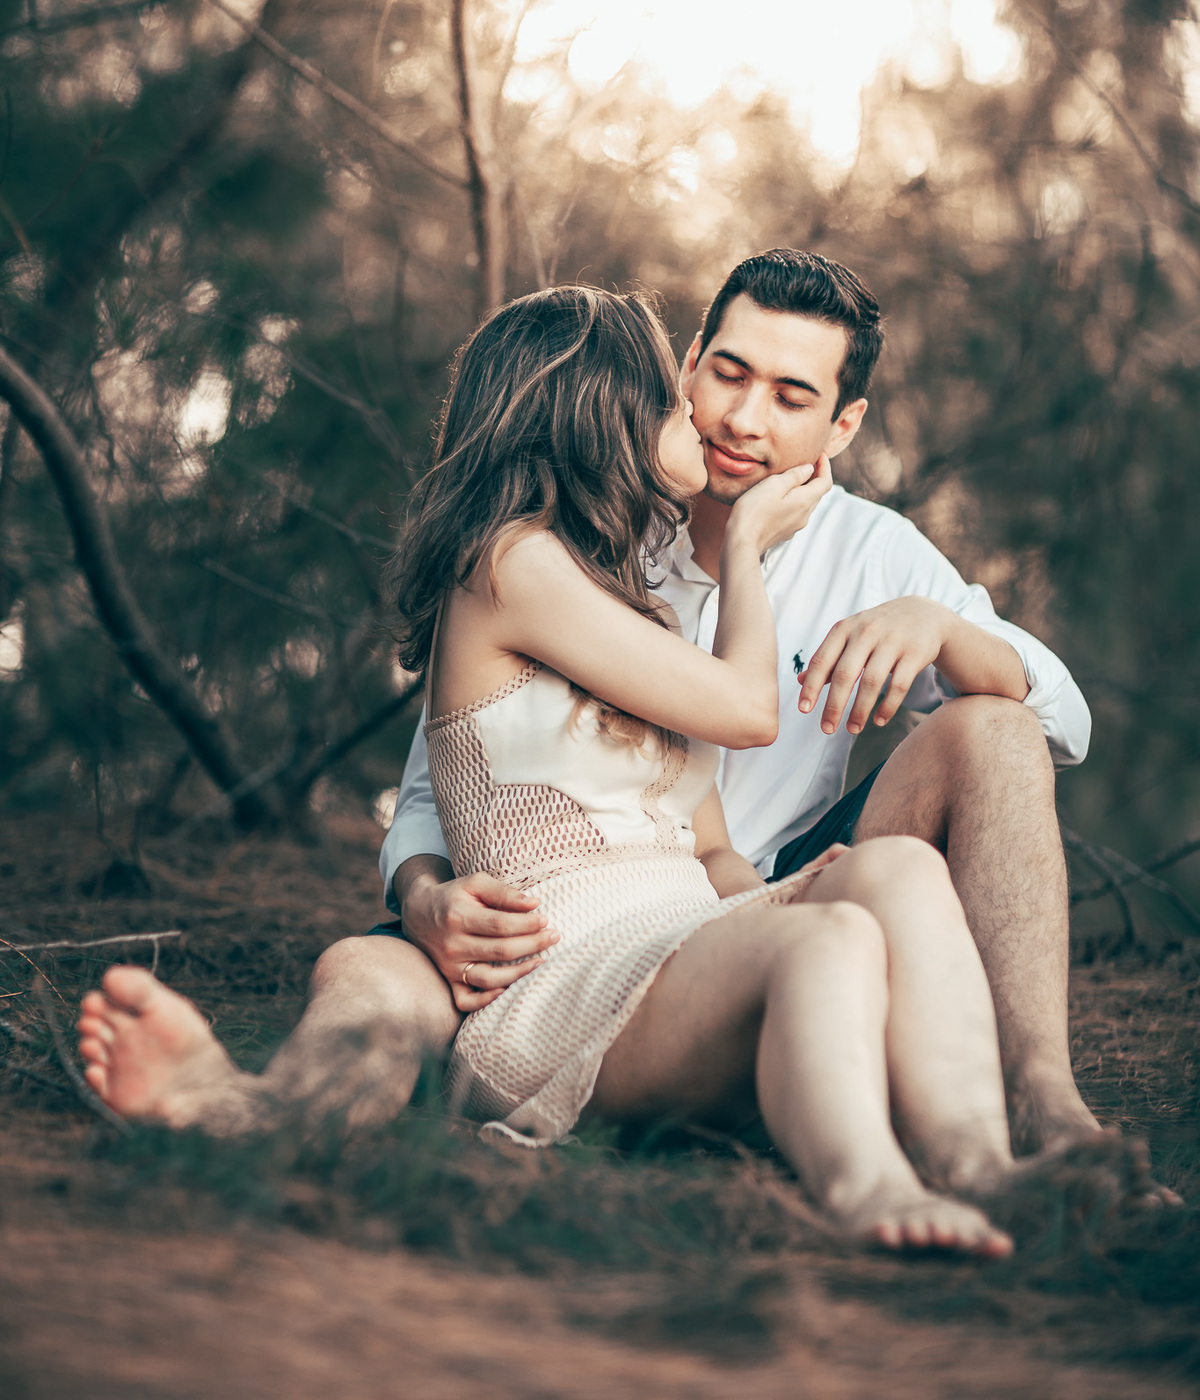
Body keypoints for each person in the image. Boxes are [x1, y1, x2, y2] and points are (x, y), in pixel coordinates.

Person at [81, 285, 1023, 1253]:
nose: (700, 410)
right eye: (675, 393)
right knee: (825, 946)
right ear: (604, 421)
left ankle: (981, 1163)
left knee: (894, 874)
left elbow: (713, 850)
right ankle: (870, 1189)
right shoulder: (508, 566)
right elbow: (747, 708)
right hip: (566, 973)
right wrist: (745, 544)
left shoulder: (630, 611)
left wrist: (783, 894)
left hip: (676, 939)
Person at [381, 249, 1098, 1157]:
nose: (742, 420)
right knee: (374, 975)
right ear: (686, 365)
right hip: (584, 909)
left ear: (844, 426)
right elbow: (441, 775)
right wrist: (422, 897)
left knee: (994, 723)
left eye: (792, 397)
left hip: (767, 876)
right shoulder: (592, 513)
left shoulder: (875, 554)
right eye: (728, 373)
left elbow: (1065, 724)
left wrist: (943, 631)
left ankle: (1041, 1100)